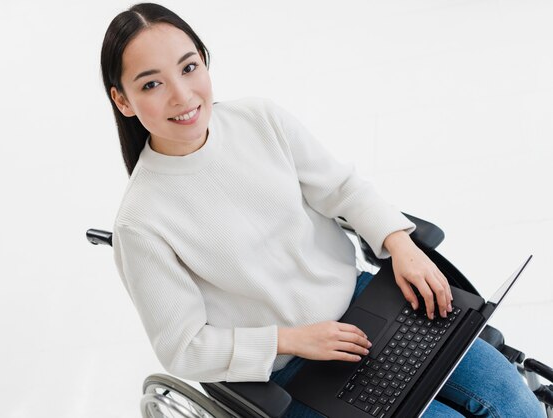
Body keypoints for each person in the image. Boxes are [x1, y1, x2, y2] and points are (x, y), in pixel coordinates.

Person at [100, 3, 544, 417]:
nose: (181, 94)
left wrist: (398, 243)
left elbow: (342, 188)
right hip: (294, 368)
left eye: (189, 67)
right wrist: (293, 340)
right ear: (123, 100)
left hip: (365, 304)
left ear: (204, 59)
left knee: (515, 402)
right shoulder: (141, 220)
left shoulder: (259, 119)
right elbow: (183, 348)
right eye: (152, 83)